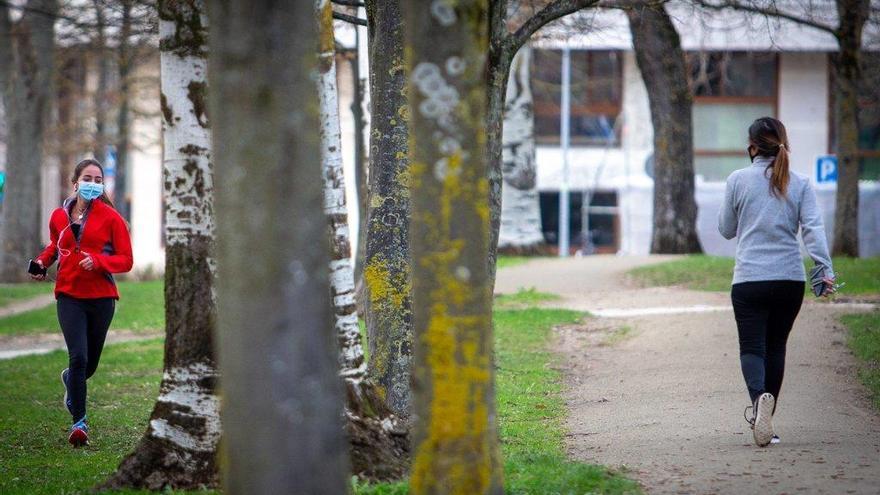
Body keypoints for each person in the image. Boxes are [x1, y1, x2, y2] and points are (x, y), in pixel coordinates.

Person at [718, 117, 836, 448]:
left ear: (752, 147)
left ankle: (759, 406)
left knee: (752, 347)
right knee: (776, 347)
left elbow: (726, 229)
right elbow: (813, 229)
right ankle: (769, 421)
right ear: (783, 145)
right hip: (789, 280)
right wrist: (824, 270)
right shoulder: (799, 183)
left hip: (750, 280)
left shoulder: (738, 180)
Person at [30, 159, 133, 447]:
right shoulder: (58, 216)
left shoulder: (112, 218)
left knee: (89, 365)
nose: (93, 183)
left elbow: (126, 260)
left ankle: (71, 381)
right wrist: (41, 262)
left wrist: (98, 261)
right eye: (88, 178)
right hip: (69, 295)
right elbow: (55, 246)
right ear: (75, 182)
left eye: (98, 179)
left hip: (101, 299)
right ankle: (79, 423)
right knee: (79, 357)